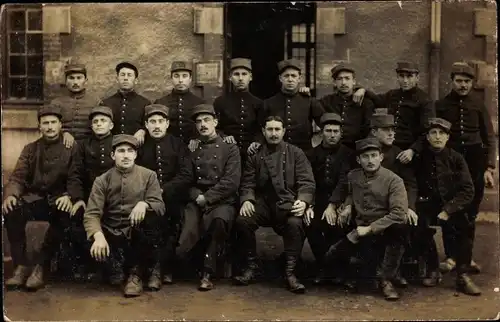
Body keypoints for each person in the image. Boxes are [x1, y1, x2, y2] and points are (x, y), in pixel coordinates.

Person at [3, 105, 83, 290]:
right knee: (12, 210)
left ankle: (41, 267)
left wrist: (69, 195)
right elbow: (18, 176)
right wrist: (11, 195)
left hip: (58, 200)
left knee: (64, 215)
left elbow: (76, 176)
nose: (49, 127)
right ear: (39, 126)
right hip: (35, 199)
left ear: (60, 125)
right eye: (45, 123)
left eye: (53, 122)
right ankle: (21, 266)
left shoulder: (71, 148)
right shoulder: (30, 149)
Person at [234, 115, 315, 294]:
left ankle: (290, 272)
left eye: (277, 129)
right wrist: (247, 199)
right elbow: (247, 182)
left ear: (284, 131)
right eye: (269, 130)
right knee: (242, 221)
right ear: (263, 131)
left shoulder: (296, 153)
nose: (273, 134)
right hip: (263, 203)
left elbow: (307, 181)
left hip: (288, 202)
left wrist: (303, 200)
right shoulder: (255, 155)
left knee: (295, 223)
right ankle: (251, 266)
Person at [83, 134, 165, 297]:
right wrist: (98, 236)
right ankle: (114, 267)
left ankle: (136, 275)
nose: (126, 155)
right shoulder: (102, 180)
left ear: (135, 154)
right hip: (111, 233)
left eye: (130, 151)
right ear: (113, 155)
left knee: (151, 220)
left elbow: (160, 206)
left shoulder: (149, 175)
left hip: (136, 232)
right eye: (121, 151)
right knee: (85, 229)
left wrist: (144, 204)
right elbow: (92, 213)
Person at [326, 138, 408, 301]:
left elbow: (399, 213)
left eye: (374, 155)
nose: (370, 161)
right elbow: (350, 193)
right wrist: (348, 205)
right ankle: (356, 270)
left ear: (381, 157)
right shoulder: (353, 176)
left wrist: (369, 229)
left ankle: (386, 280)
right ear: (358, 160)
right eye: (365, 157)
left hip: (384, 229)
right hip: (360, 226)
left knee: (399, 228)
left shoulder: (394, 180)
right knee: (331, 256)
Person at [434, 63, 496, 275]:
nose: (463, 85)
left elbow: (489, 137)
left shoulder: (478, 104)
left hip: (475, 163)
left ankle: (466, 258)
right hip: (451, 163)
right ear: (452, 81)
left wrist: (489, 167)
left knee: (470, 213)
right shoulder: (441, 104)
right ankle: (451, 256)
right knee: (450, 208)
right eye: (459, 81)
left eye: (467, 81)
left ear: (472, 83)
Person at [412, 118, 480, 296]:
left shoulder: (456, 158)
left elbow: (468, 190)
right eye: (433, 133)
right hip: (428, 205)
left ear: (447, 137)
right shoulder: (420, 158)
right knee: (418, 226)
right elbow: (412, 184)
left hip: (451, 206)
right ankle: (433, 268)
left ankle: (462, 275)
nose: (437, 137)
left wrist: (449, 210)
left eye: (441, 133)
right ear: (427, 137)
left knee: (465, 226)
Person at [177, 104, 241, 291]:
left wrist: (208, 197)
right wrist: (197, 195)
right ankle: (189, 264)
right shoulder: (192, 148)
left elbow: (231, 181)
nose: (203, 125)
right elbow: (186, 178)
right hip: (197, 198)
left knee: (219, 221)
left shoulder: (230, 148)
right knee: (185, 239)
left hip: (222, 199)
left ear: (215, 122)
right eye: (198, 122)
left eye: (206, 120)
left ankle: (208, 272)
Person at [136, 104, 192, 288]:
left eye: (161, 121)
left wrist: (164, 190)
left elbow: (185, 174)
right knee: (151, 225)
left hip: (173, 197)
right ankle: (154, 270)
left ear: (167, 123)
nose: (157, 125)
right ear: (146, 124)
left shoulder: (178, 144)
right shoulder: (141, 147)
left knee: (174, 225)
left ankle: (166, 268)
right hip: (146, 199)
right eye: (152, 122)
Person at [368, 111, 419, 287]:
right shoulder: (363, 152)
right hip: (368, 206)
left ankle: (389, 272)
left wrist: (410, 207)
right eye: (386, 130)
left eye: (393, 130)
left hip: (394, 207)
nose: (391, 134)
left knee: (402, 225)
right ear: (374, 132)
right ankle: (374, 272)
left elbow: (411, 184)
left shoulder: (399, 155)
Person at [305, 113, 353, 285]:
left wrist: (335, 205)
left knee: (340, 224)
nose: (332, 135)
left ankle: (341, 268)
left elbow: (344, 180)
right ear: (321, 133)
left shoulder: (348, 154)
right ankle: (323, 266)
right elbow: (307, 181)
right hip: (317, 200)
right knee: (310, 223)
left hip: (341, 199)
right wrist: (309, 204)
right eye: (328, 131)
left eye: (335, 131)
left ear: (341, 133)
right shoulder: (311, 154)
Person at [351, 61, 435, 159]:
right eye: (401, 76)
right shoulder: (392, 95)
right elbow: (376, 100)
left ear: (417, 78)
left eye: (409, 76)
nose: (405, 80)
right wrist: (362, 90)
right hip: (390, 146)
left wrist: (413, 150)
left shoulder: (425, 100)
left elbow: (428, 131)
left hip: (409, 149)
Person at [71, 105, 116, 280]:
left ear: (111, 125)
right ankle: (86, 264)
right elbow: (75, 173)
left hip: (113, 195)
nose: (99, 124)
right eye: (95, 122)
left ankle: (110, 267)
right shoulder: (83, 145)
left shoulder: (118, 143)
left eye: (103, 121)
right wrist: (78, 198)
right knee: (78, 219)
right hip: (89, 196)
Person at [249, 59, 324, 153]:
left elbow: (325, 124)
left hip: (304, 153)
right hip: (276, 153)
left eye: (293, 76)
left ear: (299, 78)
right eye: (286, 76)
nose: (290, 79)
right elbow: (260, 128)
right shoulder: (268, 103)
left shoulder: (309, 101)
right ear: (280, 78)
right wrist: (257, 141)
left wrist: (317, 143)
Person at [213, 58, 264, 160]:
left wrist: (257, 142)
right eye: (236, 74)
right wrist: (224, 136)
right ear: (230, 77)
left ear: (250, 77)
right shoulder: (220, 102)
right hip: (227, 152)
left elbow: (262, 128)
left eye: (244, 74)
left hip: (252, 153)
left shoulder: (259, 103)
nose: (240, 78)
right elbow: (215, 127)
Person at [318, 64, 375, 150]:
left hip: (356, 149)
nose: (343, 82)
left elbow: (368, 129)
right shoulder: (326, 101)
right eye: (339, 79)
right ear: (334, 82)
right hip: (333, 149)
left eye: (347, 78)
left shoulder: (365, 103)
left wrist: (363, 90)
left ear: (354, 81)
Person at [154, 61, 206, 147]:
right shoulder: (161, 102)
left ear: (190, 79)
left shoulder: (200, 103)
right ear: (171, 79)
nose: (180, 80)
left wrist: (198, 139)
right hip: (168, 147)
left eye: (184, 76)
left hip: (193, 147)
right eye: (176, 76)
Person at [50, 63, 101, 148]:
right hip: (63, 145)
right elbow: (50, 126)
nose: (75, 82)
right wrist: (63, 133)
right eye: (71, 78)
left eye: (79, 78)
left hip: (89, 147)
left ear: (86, 80)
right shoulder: (56, 103)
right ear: (65, 81)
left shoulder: (95, 102)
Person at [100, 62, 151, 144]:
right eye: (122, 75)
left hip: (136, 147)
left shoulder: (145, 103)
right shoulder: (106, 103)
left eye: (129, 75)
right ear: (117, 79)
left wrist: (143, 131)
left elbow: (151, 123)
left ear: (136, 80)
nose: (125, 78)